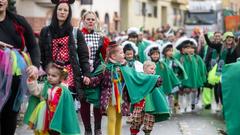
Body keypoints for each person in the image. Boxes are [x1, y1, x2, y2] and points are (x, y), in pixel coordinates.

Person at [85, 41, 163, 135]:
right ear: (113, 56)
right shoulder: (105, 68)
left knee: (119, 118)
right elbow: (97, 79)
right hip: (109, 98)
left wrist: (153, 79)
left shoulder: (124, 67)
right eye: (121, 53)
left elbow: (137, 76)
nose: (124, 54)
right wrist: (89, 81)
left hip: (121, 98)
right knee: (112, 118)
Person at [0, 0, 40, 134]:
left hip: (14, 76)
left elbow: (33, 46)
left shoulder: (18, 21)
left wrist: (34, 65)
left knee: (10, 114)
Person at [39, 0, 90, 101]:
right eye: (60, 9)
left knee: (66, 102)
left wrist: (87, 74)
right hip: (51, 73)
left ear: (69, 13)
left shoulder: (76, 32)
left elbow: (83, 56)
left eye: (65, 10)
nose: (62, 12)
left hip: (69, 73)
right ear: (55, 11)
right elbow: (41, 54)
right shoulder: (46, 31)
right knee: (51, 105)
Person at [24, 62, 81, 135]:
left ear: (61, 77)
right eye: (48, 74)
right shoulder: (45, 85)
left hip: (57, 117)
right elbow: (35, 91)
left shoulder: (64, 90)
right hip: (44, 116)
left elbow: (67, 107)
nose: (50, 77)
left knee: (55, 132)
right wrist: (32, 81)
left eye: (53, 76)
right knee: (44, 132)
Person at [80, 10, 110, 135]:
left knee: (97, 101)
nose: (91, 21)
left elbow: (106, 55)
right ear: (83, 20)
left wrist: (104, 67)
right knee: (84, 101)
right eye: (88, 19)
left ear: (96, 21)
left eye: (93, 19)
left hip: (97, 72)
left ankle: (98, 128)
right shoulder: (77, 35)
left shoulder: (101, 37)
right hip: (82, 71)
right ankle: (87, 129)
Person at [130, 61, 170, 135]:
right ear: (144, 68)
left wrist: (157, 81)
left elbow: (159, 85)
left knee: (149, 122)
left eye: (154, 69)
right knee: (136, 121)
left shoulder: (154, 79)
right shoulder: (139, 77)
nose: (153, 71)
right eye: (151, 69)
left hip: (150, 106)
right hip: (139, 104)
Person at [174, 37, 207, 113]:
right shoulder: (180, 57)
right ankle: (181, 105)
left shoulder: (196, 57)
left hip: (194, 78)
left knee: (192, 90)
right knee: (182, 91)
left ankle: (189, 104)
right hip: (183, 78)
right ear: (182, 49)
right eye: (187, 48)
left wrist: (203, 76)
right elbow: (175, 66)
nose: (190, 49)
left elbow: (202, 68)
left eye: (191, 48)